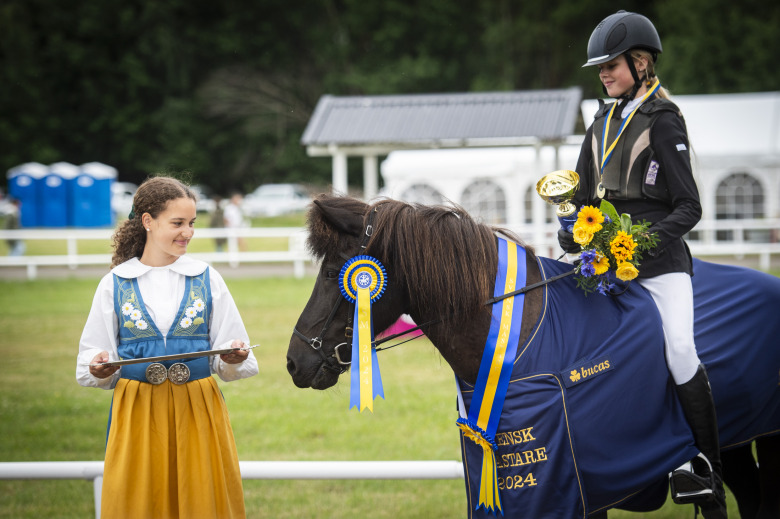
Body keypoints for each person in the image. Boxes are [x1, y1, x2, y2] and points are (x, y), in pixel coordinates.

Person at [558, 11, 727, 519]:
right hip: (606, 266)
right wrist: (572, 225)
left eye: (611, 65)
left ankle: (707, 466)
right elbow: (583, 194)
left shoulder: (665, 120)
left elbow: (689, 207)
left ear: (640, 61)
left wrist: (642, 242)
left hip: (662, 266)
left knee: (678, 350)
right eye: (600, 68)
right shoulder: (600, 122)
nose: (604, 74)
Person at [76, 176, 258, 519]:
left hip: (198, 406)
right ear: (148, 221)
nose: (187, 232)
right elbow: (92, 356)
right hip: (138, 409)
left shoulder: (207, 277)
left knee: (201, 498)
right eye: (177, 223)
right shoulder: (114, 283)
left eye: (191, 223)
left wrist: (235, 355)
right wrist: (98, 366)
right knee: (140, 500)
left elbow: (230, 350)